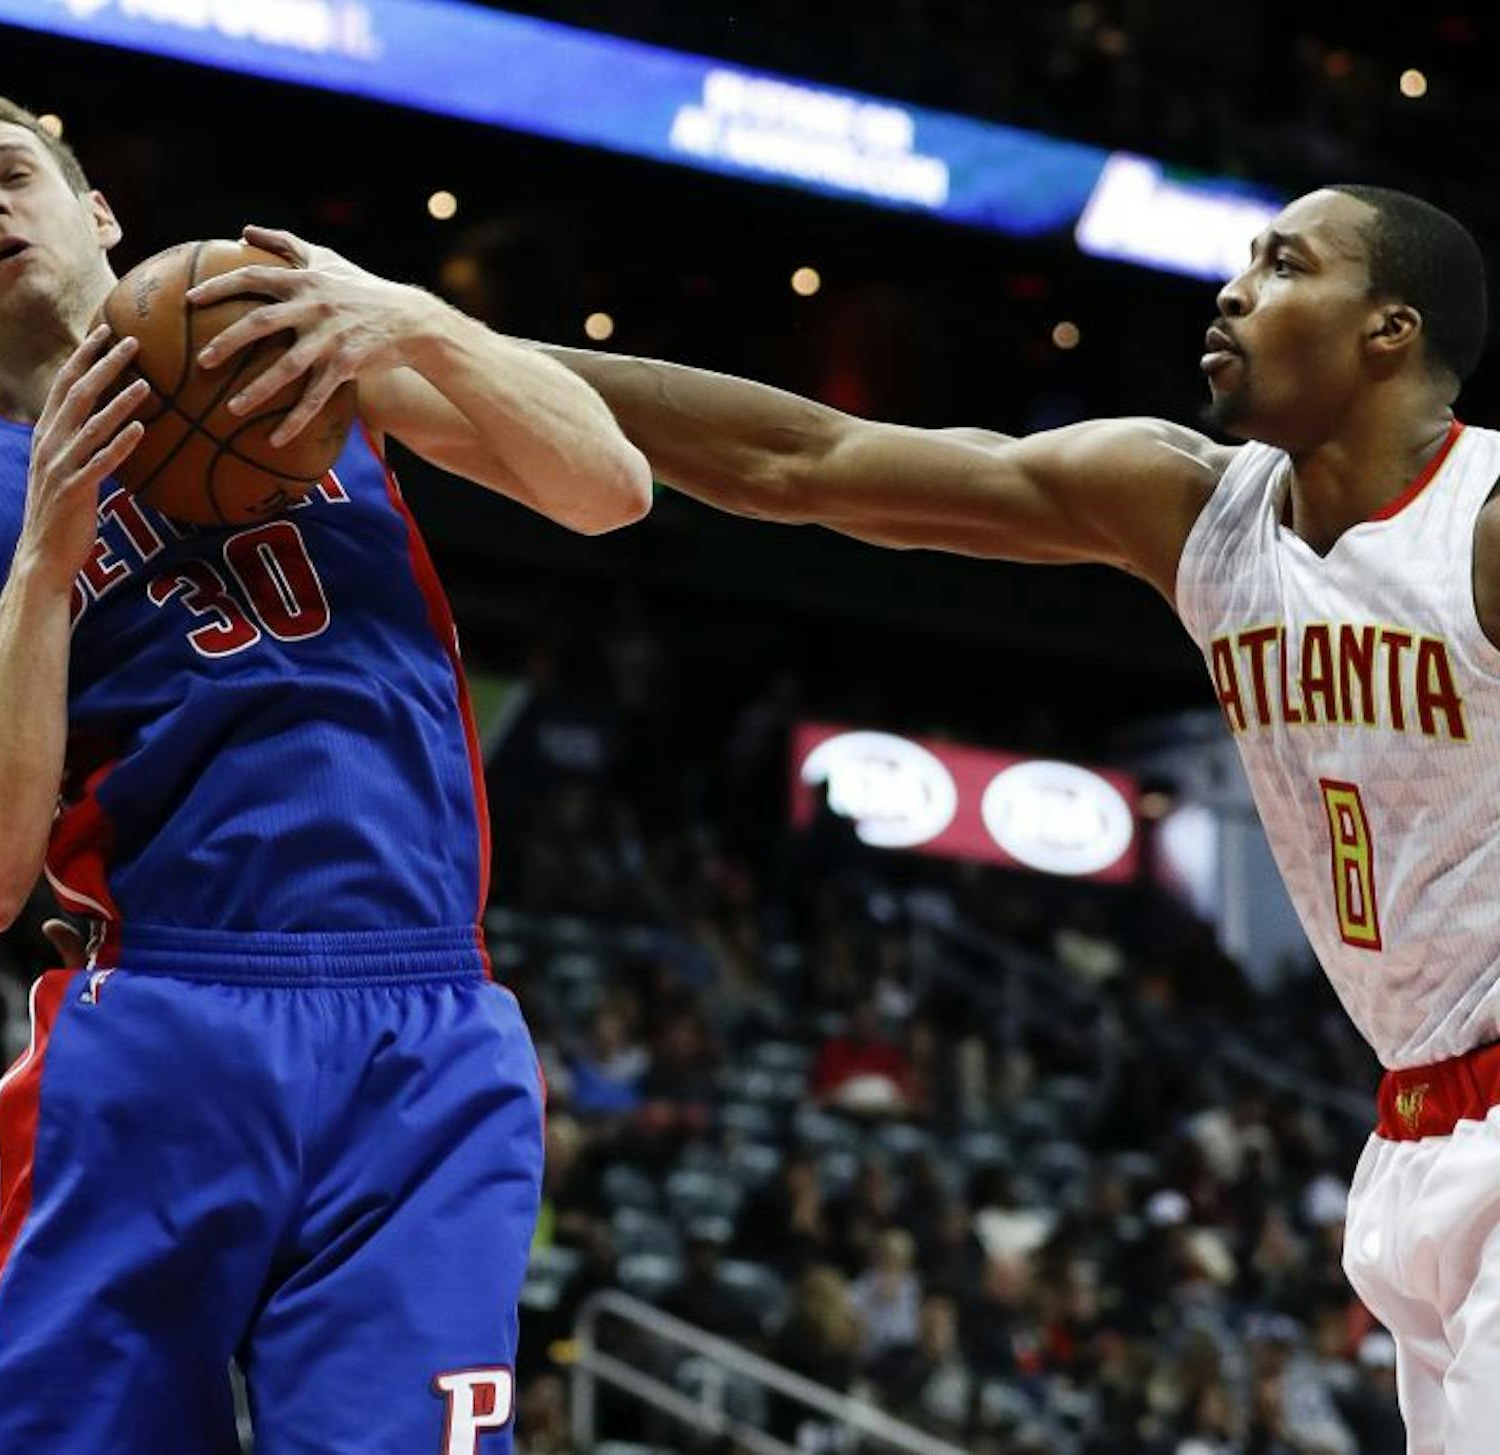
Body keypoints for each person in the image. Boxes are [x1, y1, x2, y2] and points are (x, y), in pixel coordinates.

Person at [546, 184, 1494, 1452]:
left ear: (1389, 329)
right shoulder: (1194, 509)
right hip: (1417, 1135)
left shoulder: (1479, 525)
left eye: (1284, 265)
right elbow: (808, 461)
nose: (1234, 289)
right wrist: (442, 350)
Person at [0, 91, 648, 1454]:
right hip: (166, 1008)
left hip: (424, 1020)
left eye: (12, 175)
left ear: (95, 210)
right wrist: (46, 558)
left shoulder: (298, 344)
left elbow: (607, 484)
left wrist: (401, 314)